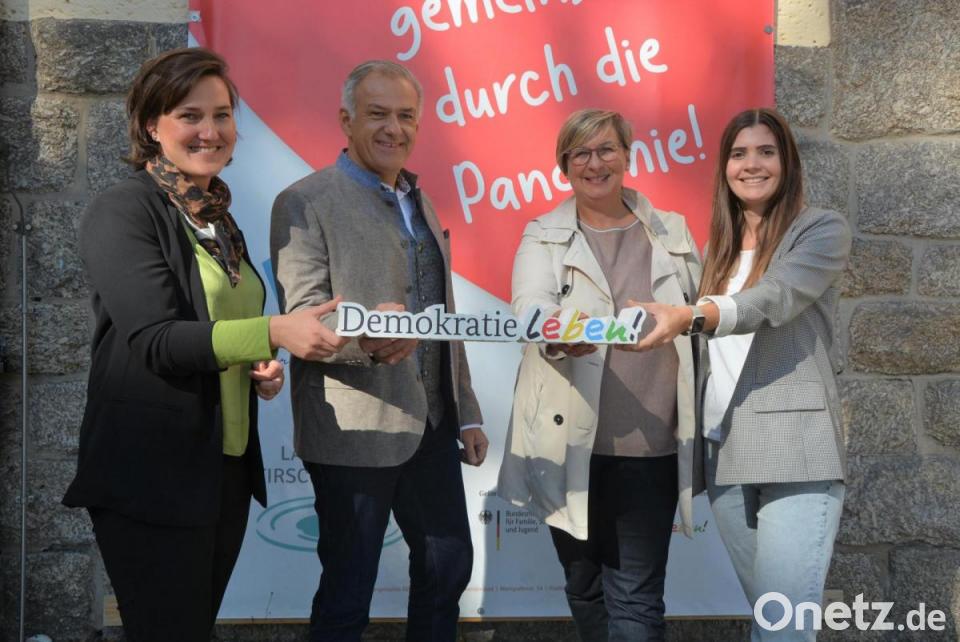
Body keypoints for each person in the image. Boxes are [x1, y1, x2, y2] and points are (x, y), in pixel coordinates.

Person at [62, 47, 346, 642]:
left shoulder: (217, 218)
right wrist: (274, 331)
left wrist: (260, 363)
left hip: (223, 471)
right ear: (151, 125)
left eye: (221, 115)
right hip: (150, 472)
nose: (210, 131)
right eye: (190, 115)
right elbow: (157, 339)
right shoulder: (123, 210)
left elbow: (218, 328)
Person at [269, 60, 488, 642]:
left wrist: (466, 411)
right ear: (346, 120)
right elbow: (305, 314)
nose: (394, 128)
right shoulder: (304, 201)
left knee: (448, 568)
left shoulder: (421, 200)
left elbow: (442, 315)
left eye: (406, 116)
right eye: (378, 114)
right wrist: (366, 338)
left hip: (432, 426)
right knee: (348, 592)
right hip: (353, 432)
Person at [629, 107, 851, 640]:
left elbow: (775, 298)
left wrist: (692, 315)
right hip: (723, 450)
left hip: (795, 449)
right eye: (738, 153)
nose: (752, 164)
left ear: (787, 162)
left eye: (766, 152)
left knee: (782, 627)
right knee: (773, 621)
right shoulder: (717, 252)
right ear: (724, 167)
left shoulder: (819, 230)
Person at [497, 109, 703, 641]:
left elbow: (699, 317)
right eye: (580, 153)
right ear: (564, 164)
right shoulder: (543, 234)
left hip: (651, 446)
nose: (595, 163)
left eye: (607, 149)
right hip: (568, 446)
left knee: (635, 597)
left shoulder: (672, 231)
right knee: (585, 588)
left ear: (627, 155)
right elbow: (530, 306)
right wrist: (556, 331)